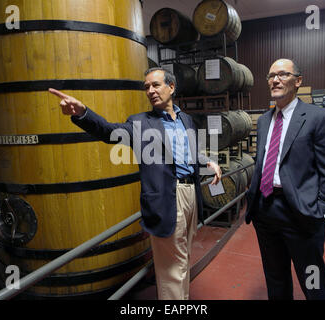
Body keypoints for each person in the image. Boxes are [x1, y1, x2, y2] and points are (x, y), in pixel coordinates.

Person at [49, 67, 221, 300]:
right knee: (172, 269)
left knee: (182, 262)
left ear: (171, 87)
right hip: (165, 199)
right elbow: (109, 132)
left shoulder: (186, 120)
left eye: (155, 85)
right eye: (146, 87)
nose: (150, 91)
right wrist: (83, 114)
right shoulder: (141, 123)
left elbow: (190, 153)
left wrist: (207, 162)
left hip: (190, 194)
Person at [245, 59, 325, 300]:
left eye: (282, 74)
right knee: (275, 277)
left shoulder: (319, 117)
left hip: (301, 213)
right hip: (265, 210)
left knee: (313, 280)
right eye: (270, 76)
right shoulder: (266, 120)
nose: (275, 80)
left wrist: (322, 209)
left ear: (298, 81)